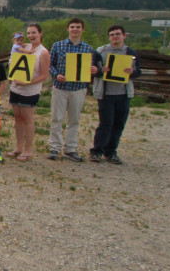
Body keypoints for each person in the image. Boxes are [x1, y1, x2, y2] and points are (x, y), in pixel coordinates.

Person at [89, 25, 142, 164]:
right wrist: (102, 70)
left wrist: (132, 72)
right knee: (105, 124)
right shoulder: (101, 51)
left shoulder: (130, 52)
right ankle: (97, 151)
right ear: (109, 37)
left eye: (117, 34)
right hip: (105, 93)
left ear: (124, 35)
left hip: (123, 93)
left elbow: (138, 71)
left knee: (118, 124)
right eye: (112, 35)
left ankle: (111, 151)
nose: (115, 37)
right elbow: (93, 71)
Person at [48, 18, 99, 162]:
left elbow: (92, 68)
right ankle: (55, 148)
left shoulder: (88, 49)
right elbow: (50, 64)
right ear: (68, 29)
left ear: (82, 30)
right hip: (61, 87)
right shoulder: (58, 46)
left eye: (77, 27)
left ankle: (70, 149)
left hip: (78, 88)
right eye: (72, 27)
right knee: (56, 118)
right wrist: (56, 74)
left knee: (74, 120)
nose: (75, 29)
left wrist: (93, 70)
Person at [7, 23, 51, 162]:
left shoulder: (43, 52)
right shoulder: (23, 47)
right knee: (17, 117)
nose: (31, 36)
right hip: (16, 88)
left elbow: (44, 75)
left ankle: (27, 150)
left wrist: (27, 83)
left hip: (30, 90)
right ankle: (18, 147)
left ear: (40, 34)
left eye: (34, 33)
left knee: (27, 118)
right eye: (29, 33)